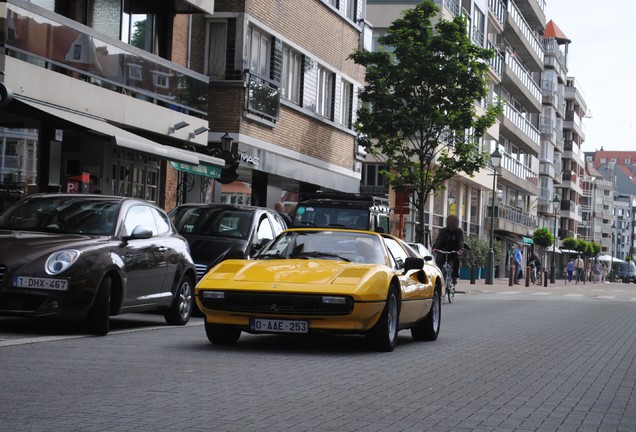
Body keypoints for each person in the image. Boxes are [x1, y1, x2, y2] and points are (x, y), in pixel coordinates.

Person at [432, 215, 464, 285]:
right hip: (444, 250)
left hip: (454, 250)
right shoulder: (444, 231)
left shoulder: (459, 231)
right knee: (439, 262)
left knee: (456, 260)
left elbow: (460, 241)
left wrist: (460, 249)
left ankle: (454, 277)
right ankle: (439, 277)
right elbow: (439, 240)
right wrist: (435, 248)